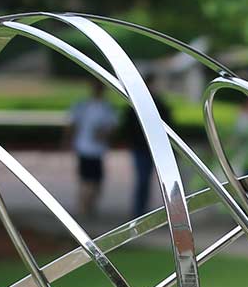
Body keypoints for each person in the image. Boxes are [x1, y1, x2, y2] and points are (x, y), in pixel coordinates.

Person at [119, 84, 175, 218]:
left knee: (148, 180)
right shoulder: (139, 106)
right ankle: (140, 211)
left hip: (149, 148)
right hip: (143, 147)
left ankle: (142, 211)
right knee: (144, 179)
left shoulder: (155, 105)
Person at [65, 82, 117, 218]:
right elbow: (73, 124)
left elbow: (111, 128)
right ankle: (84, 208)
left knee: (93, 181)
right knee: (88, 181)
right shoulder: (84, 106)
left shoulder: (104, 108)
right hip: (85, 148)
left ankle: (87, 207)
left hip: (95, 150)